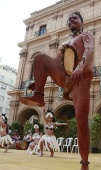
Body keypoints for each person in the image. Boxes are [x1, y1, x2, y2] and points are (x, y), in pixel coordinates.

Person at [19, 11, 94, 170]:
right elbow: (55, 63)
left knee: (81, 122)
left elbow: (90, 50)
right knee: (39, 57)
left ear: (82, 22)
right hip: (65, 78)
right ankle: (39, 95)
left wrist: (80, 66)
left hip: (80, 79)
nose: (71, 21)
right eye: (69, 20)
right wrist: (39, 81)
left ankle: (85, 163)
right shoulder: (64, 44)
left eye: (75, 18)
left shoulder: (86, 35)